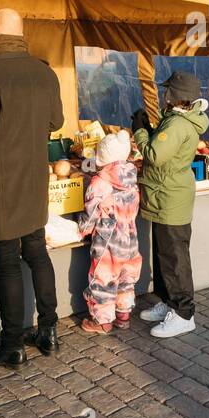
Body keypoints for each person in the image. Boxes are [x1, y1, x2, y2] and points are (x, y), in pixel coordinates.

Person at [0, 9, 64, 365]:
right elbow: (56, 120)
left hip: (1, 179)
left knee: (8, 260)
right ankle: (49, 331)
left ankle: (12, 346)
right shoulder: (44, 71)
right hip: (35, 175)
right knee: (37, 251)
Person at [131, 71, 209, 338]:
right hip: (166, 197)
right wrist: (152, 131)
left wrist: (141, 131)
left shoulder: (177, 124)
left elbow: (154, 154)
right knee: (165, 256)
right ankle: (168, 303)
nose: (163, 95)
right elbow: (163, 148)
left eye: (167, 91)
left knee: (175, 260)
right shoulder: (177, 120)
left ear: (175, 96)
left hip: (170, 199)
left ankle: (184, 314)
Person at [77, 131, 141, 334]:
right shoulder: (131, 179)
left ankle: (102, 321)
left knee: (104, 279)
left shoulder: (99, 183)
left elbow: (91, 215)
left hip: (108, 244)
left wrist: (82, 229)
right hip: (130, 239)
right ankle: (123, 315)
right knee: (126, 278)